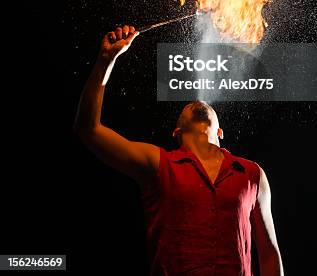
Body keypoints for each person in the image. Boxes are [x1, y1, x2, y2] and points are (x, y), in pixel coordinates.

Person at [73, 23, 284, 275]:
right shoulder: (159, 164)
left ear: (220, 132)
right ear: (176, 133)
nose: (198, 102)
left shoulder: (252, 174)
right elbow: (89, 129)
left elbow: (270, 254)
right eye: (188, 107)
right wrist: (105, 62)